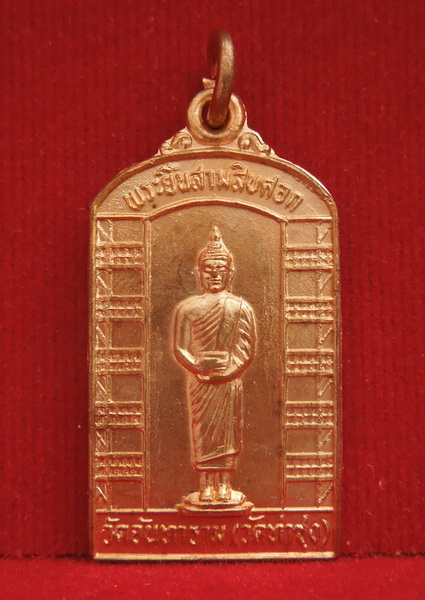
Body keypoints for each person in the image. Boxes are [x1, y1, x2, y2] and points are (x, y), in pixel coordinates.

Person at [173, 226, 256, 505]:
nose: (215, 274)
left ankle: (224, 485)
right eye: (208, 269)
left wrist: (228, 372)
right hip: (200, 381)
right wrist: (198, 369)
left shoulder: (240, 308)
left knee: (227, 434)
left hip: (228, 381)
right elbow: (180, 348)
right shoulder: (187, 308)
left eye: (221, 269)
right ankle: (206, 485)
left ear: (230, 273)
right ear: (198, 274)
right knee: (202, 432)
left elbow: (246, 350)